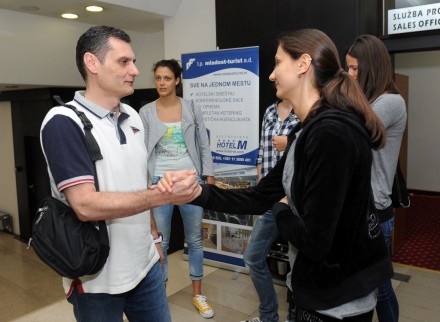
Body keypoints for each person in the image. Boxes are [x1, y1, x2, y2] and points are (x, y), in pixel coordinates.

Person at [156, 28, 394, 322]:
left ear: (303, 64)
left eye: (278, 62)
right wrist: (197, 192)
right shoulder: (307, 131)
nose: (271, 74)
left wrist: (282, 210)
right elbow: (258, 196)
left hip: (337, 299)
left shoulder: (331, 133)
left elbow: (314, 241)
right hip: (316, 289)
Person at [39, 25, 201, 322]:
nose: (136, 70)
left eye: (133, 61)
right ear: (92, 63)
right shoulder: (63, 122)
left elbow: (137, 183)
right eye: (124, 62)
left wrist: (153, 239)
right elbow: (85, 205)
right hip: (98, 279)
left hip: (147, 268)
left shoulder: (132, 117)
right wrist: (161, 194)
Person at [139, 59, 215, 319]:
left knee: (194, 239)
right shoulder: (146, 112)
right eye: (158, 78)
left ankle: (197, 294)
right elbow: (142, 152)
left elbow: (203, 144)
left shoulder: (192, 107)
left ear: (177, 80)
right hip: (159, 182)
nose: (161, 83)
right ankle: (159, 296)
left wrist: (209, 177)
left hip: (190, 181)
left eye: (167, 78)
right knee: (161, 241)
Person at [346, 34, 407, 322]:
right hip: (360, 210)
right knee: (369, 288)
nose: (349, 74)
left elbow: (352, 130)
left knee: (379, 289)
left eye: (355, 68)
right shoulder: (368, 100)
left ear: (372, 67)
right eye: (348, 67)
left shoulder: (391, 102)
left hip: (376, 212)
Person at [242, 99, 299, 322]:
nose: (273, 76)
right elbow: (263, 152)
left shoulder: (305, 113)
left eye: (279, 64)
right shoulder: (269, 111)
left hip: (295, 202)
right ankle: (269, 316)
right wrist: (260, 187)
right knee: (253, 257)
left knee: (298, 267)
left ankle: (295, 317)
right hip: (270, 200)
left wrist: (291, 142)